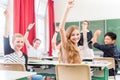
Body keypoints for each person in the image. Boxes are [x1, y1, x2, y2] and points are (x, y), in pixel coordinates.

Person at [3, 9, 43, 80]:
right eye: (18, 42)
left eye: (21, 42)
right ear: (12, 42)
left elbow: (26, 69)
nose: (20, 44)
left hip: (22, 77)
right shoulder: (8, 51)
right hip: (11, 77)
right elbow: (5, 36)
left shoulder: (24, 56)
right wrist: (7, 18)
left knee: (39, 77)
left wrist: (28, 75)